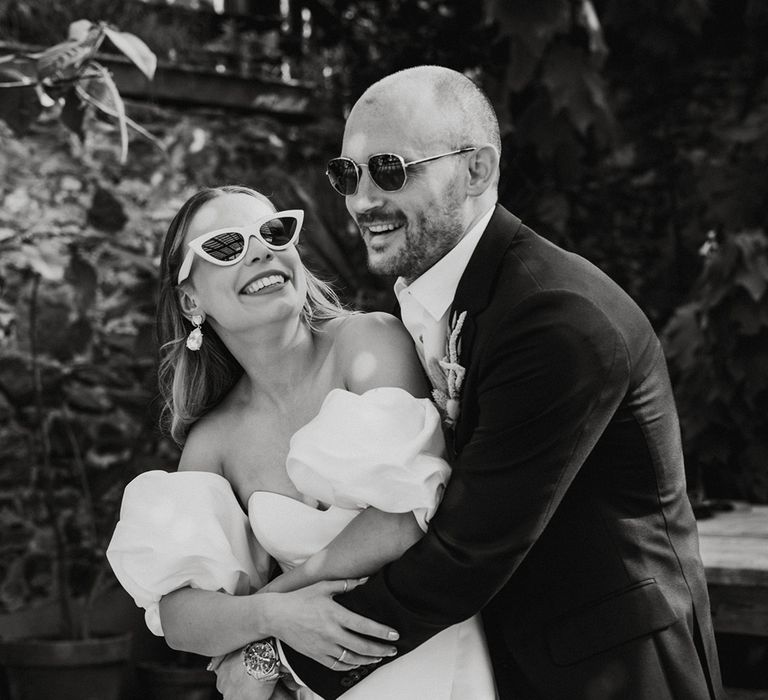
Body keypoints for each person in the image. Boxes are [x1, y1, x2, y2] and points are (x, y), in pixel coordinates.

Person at [269, 66, 725, 700]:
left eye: (391, 171)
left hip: (607, 672)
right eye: (348, 175)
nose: (362, 200)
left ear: (477, 170)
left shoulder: (555, 319)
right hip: (501, 660)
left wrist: (282, 660)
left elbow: (468, 551)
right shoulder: (439, 298)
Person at [106, 185, 497, 699]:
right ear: (190, 298)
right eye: (226, 246)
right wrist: (275, 616)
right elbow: (180, 617)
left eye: (272, 232)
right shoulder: (214, 441)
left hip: (434, 660)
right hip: (320, 679)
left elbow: (405, 521)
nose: (261, 250)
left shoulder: (369, 343)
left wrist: (266, 627)